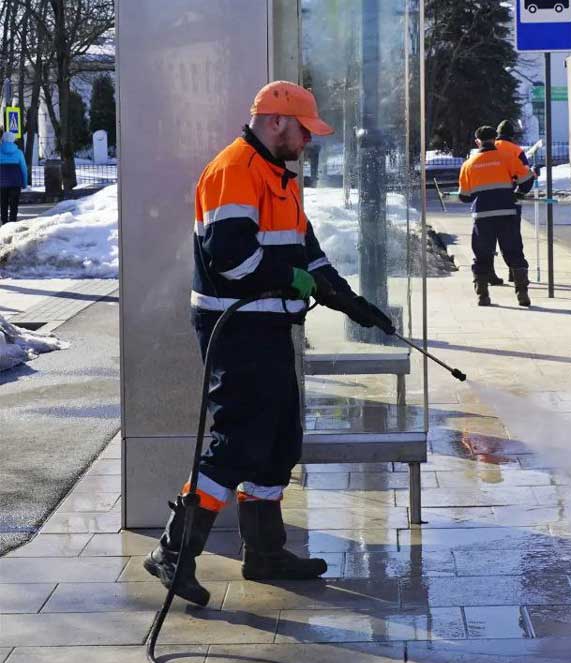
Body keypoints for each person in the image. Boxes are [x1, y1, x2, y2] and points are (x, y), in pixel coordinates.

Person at [143, 81, 394, 607]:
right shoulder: (234, 171)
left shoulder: (277, 176)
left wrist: (347, 298)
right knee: (236, 442)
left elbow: (305, 248)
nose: (308, 141)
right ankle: (173, 550)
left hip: (269, 327)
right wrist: (296, 281)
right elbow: (233, 261)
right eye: (304, 130)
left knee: (279, 440)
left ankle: (265, 552)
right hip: (233, 331)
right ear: (277, 121)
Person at [458, 125, 535, 307]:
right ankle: (522, 294)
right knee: (514, 252)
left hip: (482, 216)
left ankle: (483, 295)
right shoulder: (507, 157)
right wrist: (516, 193)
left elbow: (464, 196)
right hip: (507, 213)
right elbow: (526, 180)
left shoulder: (468, 164)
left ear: (477, 141)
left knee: (482, 255)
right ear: (495, 139)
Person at [488, 119, 532, 286]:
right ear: (512, 136)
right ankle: (515, 273)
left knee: (488, 240)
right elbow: (527, 177)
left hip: (486, 202)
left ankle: (490, 274)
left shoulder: (488, 148)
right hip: (509, 201)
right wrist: (519, 193)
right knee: (512, 239)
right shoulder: (516, 151)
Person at [0, 131, 29, 225]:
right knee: (14, 203)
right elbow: (23, 168)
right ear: (13, 140)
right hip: (15, 182)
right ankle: (13, 222)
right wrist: (24, 183)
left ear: (3, 139)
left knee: (3, 203)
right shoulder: (19, 152)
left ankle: (4, 222)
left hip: (1, 182)